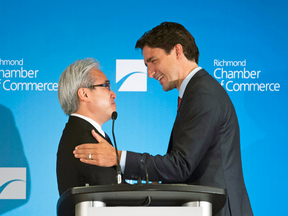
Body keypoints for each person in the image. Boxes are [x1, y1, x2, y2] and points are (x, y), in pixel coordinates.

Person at [73, 22, 253, 216]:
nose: (150, 73)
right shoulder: (195, 92)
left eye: (153, 61)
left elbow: (180, 166)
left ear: (177, 51)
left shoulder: (203, 94)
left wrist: (118, 158)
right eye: (146, 65)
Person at [56, 58, 119, 196]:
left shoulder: (78, 132)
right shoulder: (86, 138)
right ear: (84, 94)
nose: (113, 94)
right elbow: (114, 196)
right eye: (106, 86)